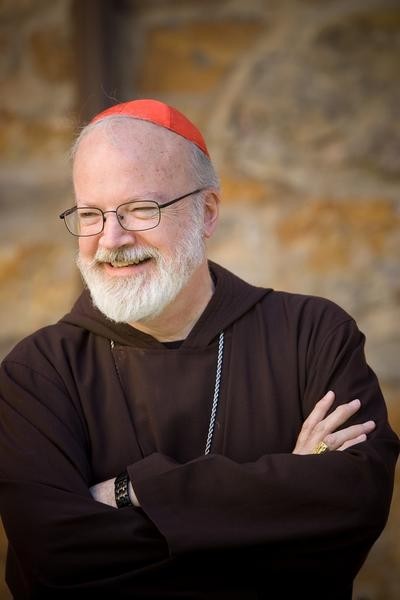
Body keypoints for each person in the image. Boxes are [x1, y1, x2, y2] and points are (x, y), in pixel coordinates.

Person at [0, 98, 398, 600]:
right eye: (90, 214)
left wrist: (135, 490)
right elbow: (55, 564)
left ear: (206, 213)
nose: (111, 238)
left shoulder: (312, 336)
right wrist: (285, 496)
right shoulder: (37, 373)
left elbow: (352, 506)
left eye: (140, 209)